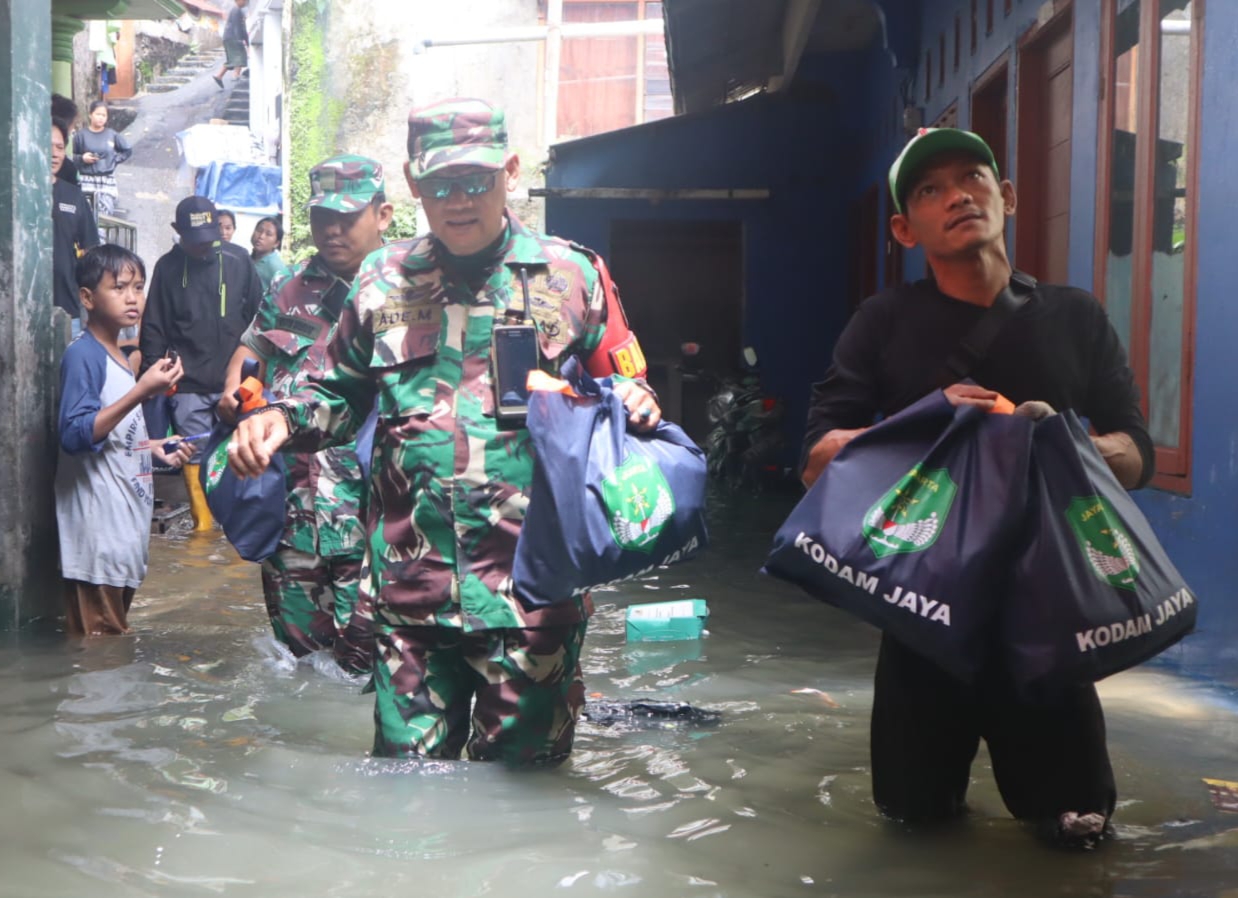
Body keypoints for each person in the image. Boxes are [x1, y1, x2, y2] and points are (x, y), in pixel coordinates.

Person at [228, 98, 660, 763]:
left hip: (531, 600)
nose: (458, 200)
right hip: (409, 601)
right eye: (440, 184)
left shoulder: (573, 274)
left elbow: (630, 389)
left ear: (510, 172)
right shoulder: (381, 282)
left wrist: (630, 399)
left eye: (476, 181)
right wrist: (280, 419)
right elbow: (336, 395)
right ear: (413, 184)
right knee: (405, 801)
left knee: (525, 803)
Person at [800, 128, 1154, 848]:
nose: (958, 194)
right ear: (905, 228)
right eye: (930, 190)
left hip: (1050, 618)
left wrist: (1063, 440)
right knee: (912, 830)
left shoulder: (1075, 317)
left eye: (973, 177)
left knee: (1077, 837)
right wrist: (926, 425)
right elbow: (818, 458)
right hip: (922, 613)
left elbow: (1136, 451)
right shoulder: (883, 321)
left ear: (1007, 196)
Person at [220, 156, 392, 673]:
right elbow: (250, 357)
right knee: (297, 668)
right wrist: (237, 396)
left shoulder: (407, 289)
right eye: (322, 218)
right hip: (291, 510)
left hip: (374, 519)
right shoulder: (288, 288)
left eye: (347, 216)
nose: (333, 230)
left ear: (382, 215)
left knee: (373, 668)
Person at [55, 244, 192, 636]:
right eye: (118, 287)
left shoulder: (116, 355)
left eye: (138, 287)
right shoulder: (84, 355)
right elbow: (74, 433)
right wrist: (141, 392)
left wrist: (154, 449)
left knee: (109, 652)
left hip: (122, 537)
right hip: (98, 538)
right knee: (101, 656)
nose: (132, 298)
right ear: (87, 298)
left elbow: (116, 440)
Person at [139, 195, 264, 530]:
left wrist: (260, 374)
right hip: (189, 384)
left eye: (209, 239)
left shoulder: (239, 261)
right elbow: (154, 324)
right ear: (177, 231)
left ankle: (238, 532)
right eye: (195, 241)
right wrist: (154, 376)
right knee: (192, 456)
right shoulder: (167, 267)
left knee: (239, 452)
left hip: (236, 382)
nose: (203, 248)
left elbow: (261, 320)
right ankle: (203, 531)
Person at [52, 117, 99, 337]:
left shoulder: (74, 195)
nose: (54, 153)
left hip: (67, 308)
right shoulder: (16, 194)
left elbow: (90, 249)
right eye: (47, 146)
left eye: (60, 147)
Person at [72, 100, 132, 230]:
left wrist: (114, 160)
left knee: (104, 218)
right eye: (98, 114)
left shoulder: (112, 135)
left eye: (103, 115)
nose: (100, 118)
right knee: (86, 217)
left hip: (106, 181)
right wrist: (82, 158)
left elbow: (127, 150)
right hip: (86, 180)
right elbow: (71, 157)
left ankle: (100, 246)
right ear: (90, 115)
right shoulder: (80, 136)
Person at [214, 0, 250, 89]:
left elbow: (243, 28)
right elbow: (237, 26)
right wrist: (239, 40)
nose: (246, 2)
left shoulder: (239, 10)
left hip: (230, 38)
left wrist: (247, 42)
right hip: (232, 38)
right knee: (240, 56)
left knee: (233, 59)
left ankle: (219, 76)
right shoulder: (236, 10)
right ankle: (235, 76)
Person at [248, 215, 289, 293]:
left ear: (276, 243)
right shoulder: (250, 258)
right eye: (259, 230)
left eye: (268, 234)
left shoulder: (275, 266)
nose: (261, 236)